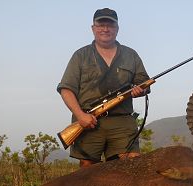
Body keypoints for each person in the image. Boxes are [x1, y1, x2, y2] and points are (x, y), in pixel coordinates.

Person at [57, 8, 150, 167]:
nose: (105, 29)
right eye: (101, 25)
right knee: (87, 171)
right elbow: (66, 89)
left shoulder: (131, 55)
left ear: (117, 29)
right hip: (89, 121)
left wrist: (140, 90)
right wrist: (80, 115)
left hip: (122, 122)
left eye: (110, 25)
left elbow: (144, 83)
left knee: (131, 168)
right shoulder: (80, 55)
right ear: (93, 28)